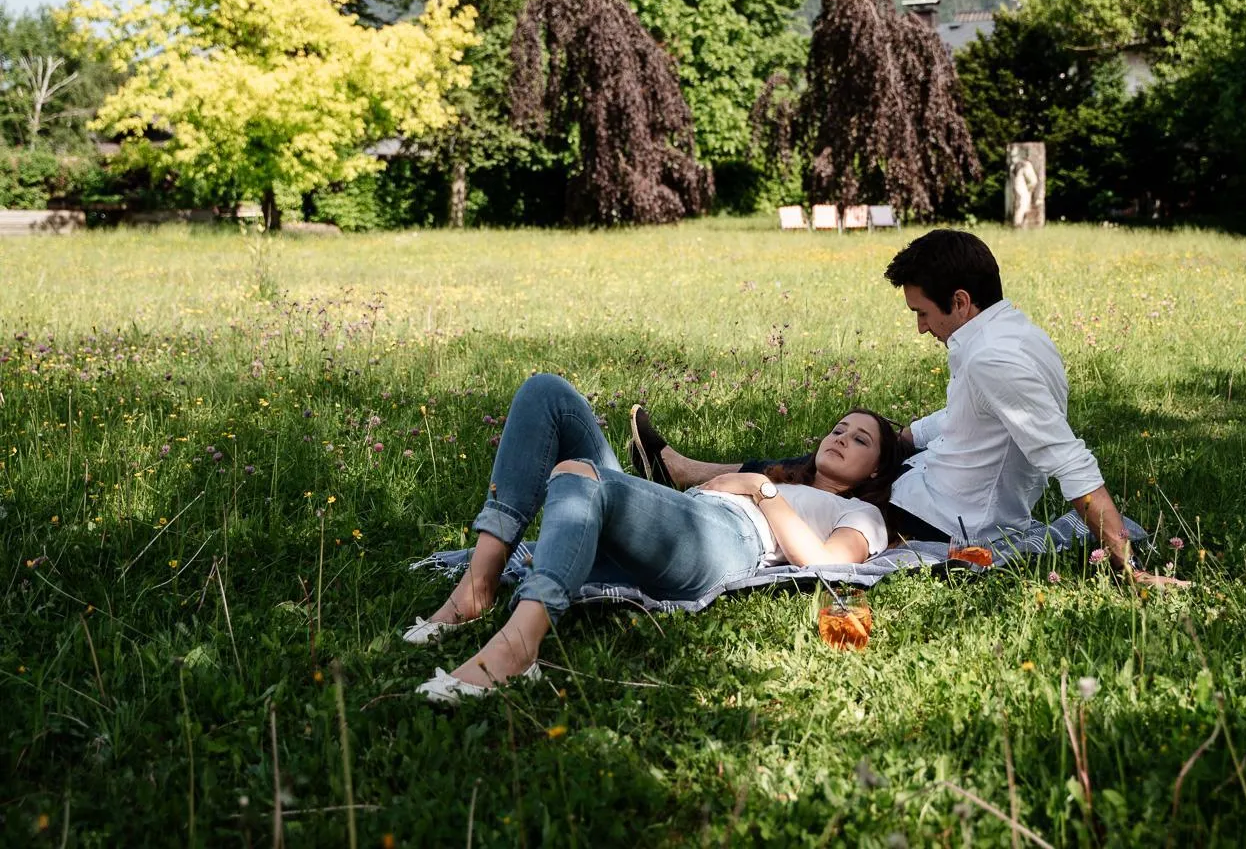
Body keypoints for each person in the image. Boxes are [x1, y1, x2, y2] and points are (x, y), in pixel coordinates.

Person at [632, 229, 1186, 589]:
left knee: (829, 472)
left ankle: (700, 487)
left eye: (922, 312)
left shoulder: (996, 360)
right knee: (847, 448)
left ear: (961, 301)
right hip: (929, 479)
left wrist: (1128, 568)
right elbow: (972, 415)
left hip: (939, 517)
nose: (921, 327)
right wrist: (907, 436)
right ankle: (687, 472)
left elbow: (1071, 463)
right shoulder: (1006, 335)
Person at [409, 373, 904, 703]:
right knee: (547, 393)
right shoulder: (791, 479)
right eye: (838, 429)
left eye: (859, 439)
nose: (840, 438)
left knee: (579, 476)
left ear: (876, 469)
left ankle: (519, 646)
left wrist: (760, 489)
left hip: (724, 541)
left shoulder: (861, 513)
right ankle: (477, 587)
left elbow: (824, 564)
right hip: (680, 516)